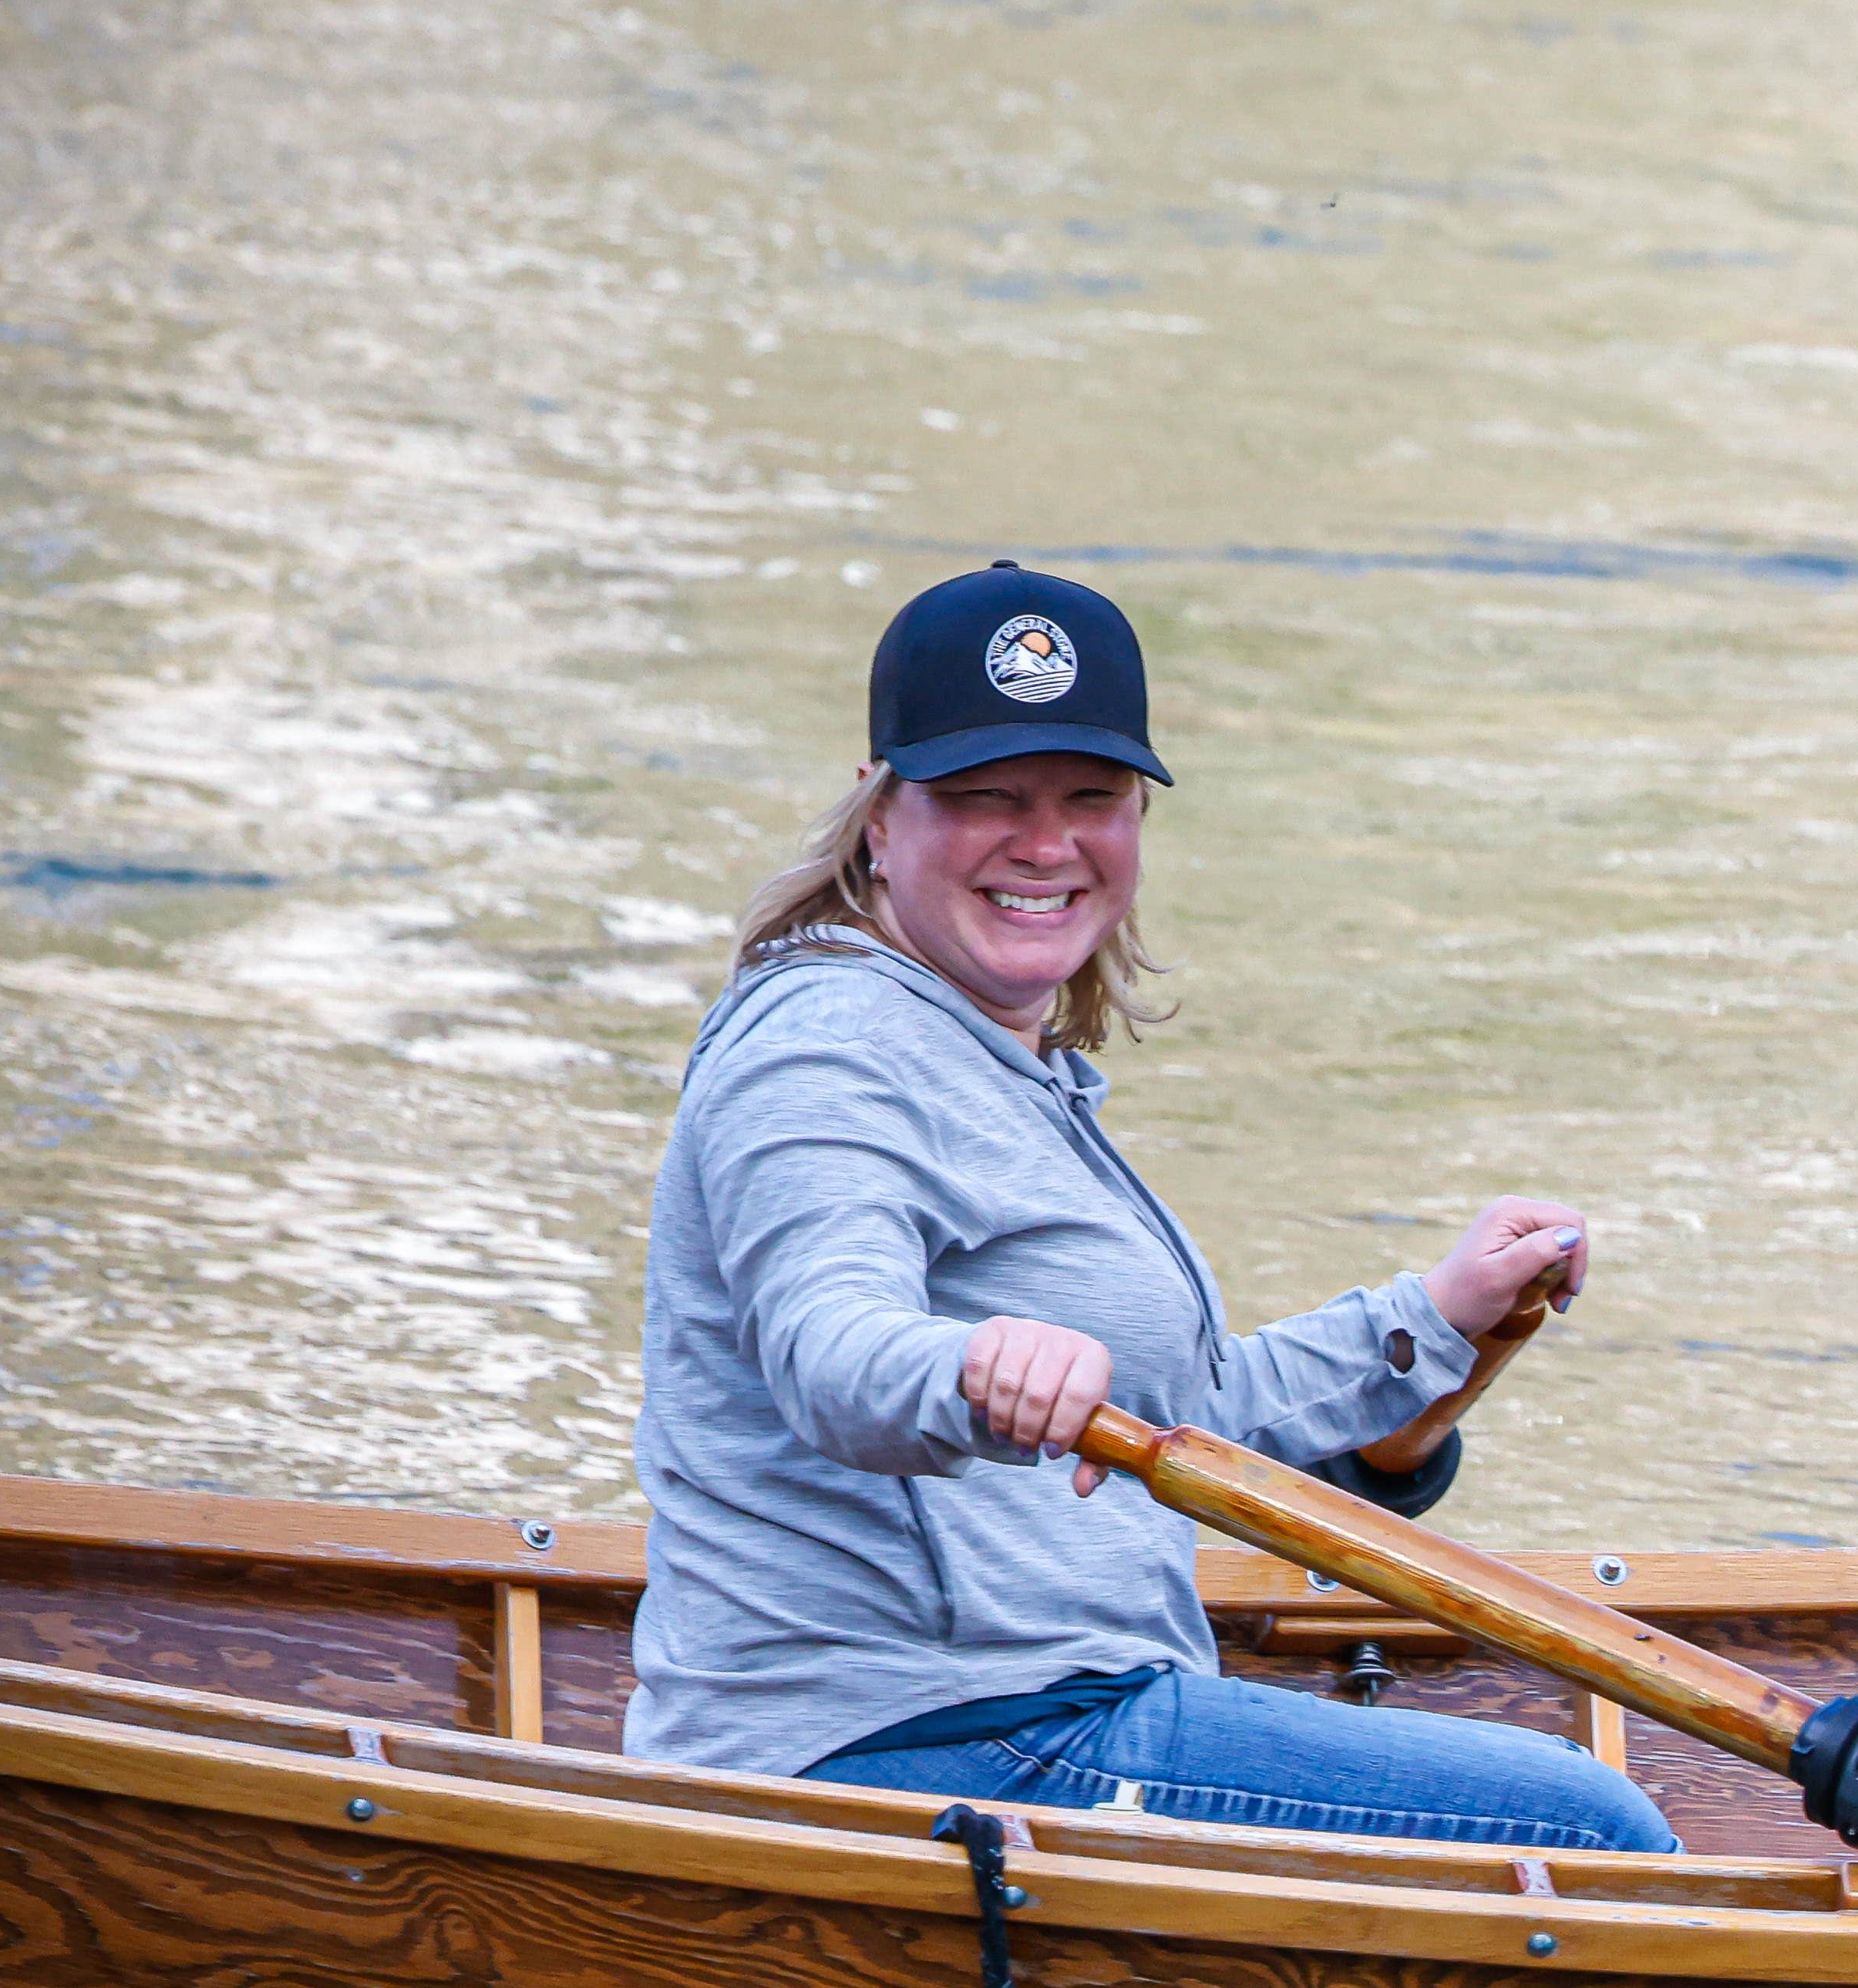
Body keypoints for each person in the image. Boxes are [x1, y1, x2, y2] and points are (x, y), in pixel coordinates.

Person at [631, 561, 1681, 1849]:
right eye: (983, 797)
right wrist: (968, 1365)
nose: (1045, 843)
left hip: (1064, 1709)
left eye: (1093, 798)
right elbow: (828, 1350)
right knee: (1584, 1829)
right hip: (906, 1741)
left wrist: (1430, 1324)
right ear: (879, 814)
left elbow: (1168, 1425)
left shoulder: (997, 1060)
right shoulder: (825, 1050)